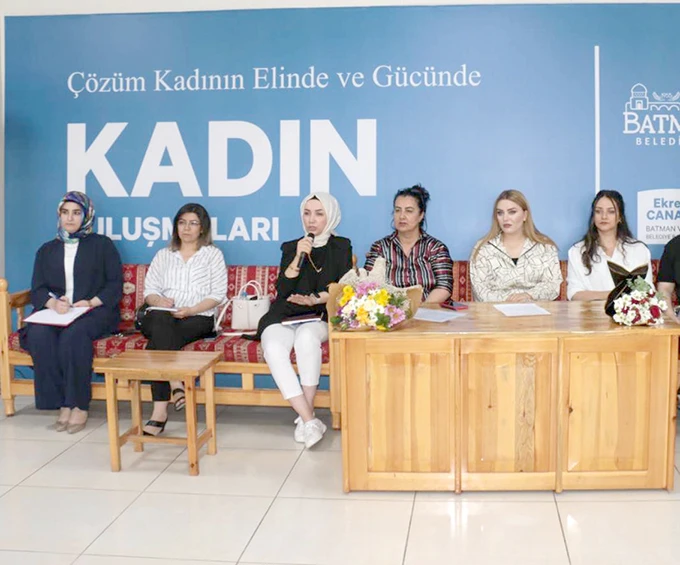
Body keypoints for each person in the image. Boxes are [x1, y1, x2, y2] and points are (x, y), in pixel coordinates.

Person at [19, 191, 122, 433]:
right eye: (65, 213)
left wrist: (90, 302)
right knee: (38, 335)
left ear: (86, 216)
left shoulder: (102, 245)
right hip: (57, 312)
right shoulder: (47, 250)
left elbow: (115, 284)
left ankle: (79, 405)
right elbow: (38, 289)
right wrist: (53, 304)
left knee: (73, 336)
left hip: (94, 311)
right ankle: (61, 402)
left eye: (76, 213)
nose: (70, 218)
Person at [257, 193, 352, 448]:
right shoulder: (291, 247)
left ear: (330, 215)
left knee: (307, 339)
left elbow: (342, 288)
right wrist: (298, 258)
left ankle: (305, 416)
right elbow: (282, 289)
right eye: (307, 213)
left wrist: (314, 299)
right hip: (284, 312)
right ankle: (309, 420)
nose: (312, 220)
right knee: (273, 347)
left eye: (319, 213)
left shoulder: (341, 246)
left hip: (318, 312)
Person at [140, 203, 227, 436]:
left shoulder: (213, 255)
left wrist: (191, 310)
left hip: (198, 316)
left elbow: (218, 295)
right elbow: (149, 291)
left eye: (193, 223)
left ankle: (159, 412)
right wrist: (159, 301)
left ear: (202, 228)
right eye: (182, 222)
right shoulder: (164, 255)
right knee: (161, 321)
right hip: (162, 315)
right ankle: (175, 384)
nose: (186, 228)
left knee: (157, 345)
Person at [365, 184, 452, 303]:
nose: (402, 216)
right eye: (397, 210)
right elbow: (368, 285)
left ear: (421, 215)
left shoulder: (435, 248)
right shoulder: (380, 248)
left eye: (409, 211)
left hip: (429, 309)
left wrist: (421, 310)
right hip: (391, 311)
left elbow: (444, 286)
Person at [470, 189, 562, 302]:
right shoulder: (483, 248)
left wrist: (528, 295)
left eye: (512, 212)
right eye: (500, 213)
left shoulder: (545, 246)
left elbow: (552, 285)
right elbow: (480, 291)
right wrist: (509, 300)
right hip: (495, 310)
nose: (505, 218)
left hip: (535, 309)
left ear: (525, 215)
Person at [567, 190, 652, 301]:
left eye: (611, 211)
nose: (604, 216)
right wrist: (614, 294)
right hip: (591, 311)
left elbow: (648, 291)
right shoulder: (577, 251)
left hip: (630, 311)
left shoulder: (639, 250)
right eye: (598, 211)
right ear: (593, 216)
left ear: (620, 217)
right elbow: (574, 294)